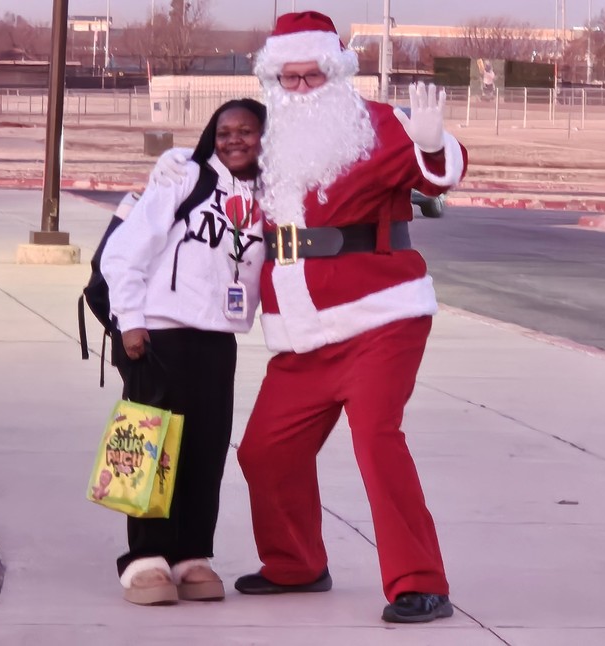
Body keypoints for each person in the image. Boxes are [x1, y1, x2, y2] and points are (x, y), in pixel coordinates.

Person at [232, 11, 467, 624]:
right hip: (302, 333)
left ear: (335, 73)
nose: (302, 89)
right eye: (290, 79)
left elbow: (436, 178)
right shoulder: (266, 141)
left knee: (376, 439)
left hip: (380, 316)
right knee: (264, 451)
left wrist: (437, 140)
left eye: (313, 77)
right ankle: (296, 564)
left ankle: (421, 582)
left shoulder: (377, 124)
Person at [100, 98, 267, 605]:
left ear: (265, 137)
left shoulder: (270, 197)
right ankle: (145, 559)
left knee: (205, 452)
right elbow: (123, 252)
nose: (234, 140)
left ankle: (192, 554)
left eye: (246, 131)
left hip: (218, 339)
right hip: (158, 335)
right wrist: (130, 321)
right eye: (224, 131)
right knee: (149, 448)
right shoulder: (184, 178)